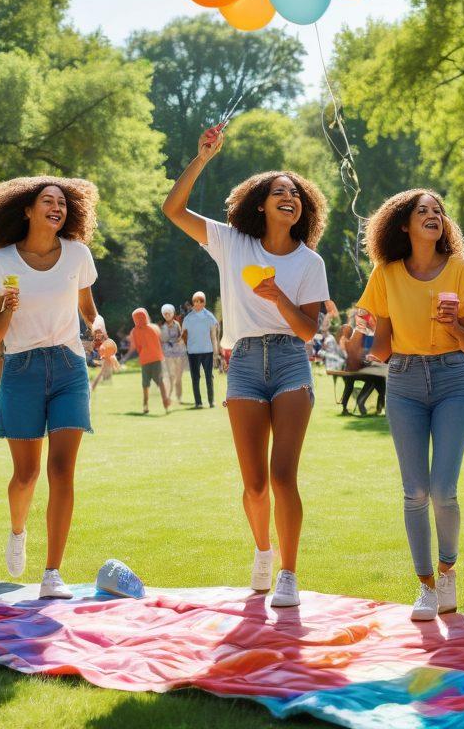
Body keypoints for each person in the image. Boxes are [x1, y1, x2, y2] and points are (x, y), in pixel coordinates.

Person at [163, 125, 329, 608]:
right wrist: (203, 159)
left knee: (282, 478)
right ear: (261, 203)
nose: (289, 198)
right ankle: (262, 550)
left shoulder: (309, 262)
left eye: (296, 194)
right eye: (280, 192)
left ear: (304, 209)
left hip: (290, 360)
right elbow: (172, 210)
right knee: (254, 484)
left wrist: (278, 296)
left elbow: (306, 331)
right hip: (244, 364)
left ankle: (289, 574)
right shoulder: (232, 242)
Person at [359, 189, 464, 621]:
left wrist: (453, 326)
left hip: (453, 377)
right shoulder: (386, 274)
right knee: (414, 491)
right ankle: (426, 586)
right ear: (403, 224)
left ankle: (448, 571)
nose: (434, 216)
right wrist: (360, 335)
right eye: (423, 211)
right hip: (404, 382)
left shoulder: (463, 270)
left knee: (442, 490)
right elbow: (381, 347)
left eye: (438, 211)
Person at [0, 175, 103, 600]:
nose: (57, 207)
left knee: (62, 471)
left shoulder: (78, 254)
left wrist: (101, 333)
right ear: (27, 210)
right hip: (22, 369)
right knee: (26, 475)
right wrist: (8, 311)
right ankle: (17, 530)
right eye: (48, 201)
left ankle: (52, 573)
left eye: (62, 202)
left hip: (68, 367)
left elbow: (89, 311)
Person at [124, 307, 171, 415]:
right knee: (160, 382)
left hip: (145, 360)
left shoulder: (134, 331)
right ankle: (165, 402)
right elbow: (161, 340)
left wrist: (125, 358)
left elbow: (135, 347)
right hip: (157, 358)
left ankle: (145, 405)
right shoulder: (154, 327)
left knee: (145, 384)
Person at [182, 291, 219, 409]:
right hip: (193, 352)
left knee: (209, 376)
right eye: (195, 301)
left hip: (207, 351)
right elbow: (184, 336)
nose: (198, 303)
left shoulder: (210, 317)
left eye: (200, 301)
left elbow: (214, 336)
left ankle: (211, 401)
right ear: (193, 303)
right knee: (195, 377)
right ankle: (198, 402)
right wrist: (186, 348)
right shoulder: (188, 318)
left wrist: (216, 353)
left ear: (204, 303)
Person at [159, 304, 188, 406]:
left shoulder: (177, 324)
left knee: (178, 377)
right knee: (171, 376)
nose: (167, 315)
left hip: (179, 354)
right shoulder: (163, 327)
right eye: (165, 313)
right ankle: (169, 397)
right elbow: (162, 340)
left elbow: (180, 337)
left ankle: (179, 398)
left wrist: (180, 340)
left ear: (172, 314)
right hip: (168, 355)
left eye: (169, 313)